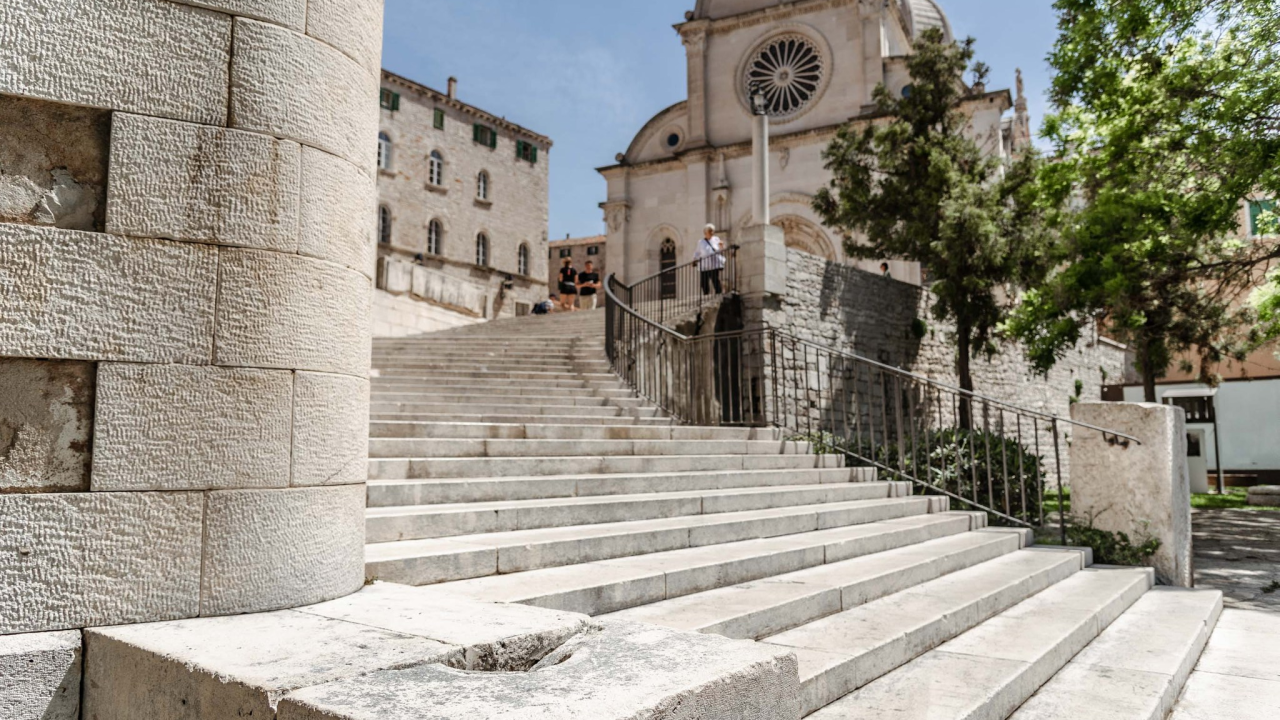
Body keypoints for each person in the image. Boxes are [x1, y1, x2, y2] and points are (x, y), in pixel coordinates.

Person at [695, 224, 725, 295]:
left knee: (715, 279)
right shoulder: (701, 242)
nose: (712, 232)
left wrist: (721, 246)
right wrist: (694, 259)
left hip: (714, 264)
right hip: (704, 265)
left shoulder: (716, 239)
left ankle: (719, 293)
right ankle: (706, 294)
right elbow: (697, 252)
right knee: (704, 282)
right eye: (710, 231)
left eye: (712, 231)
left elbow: (721, 250)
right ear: (705, 232)